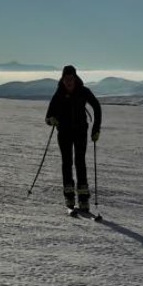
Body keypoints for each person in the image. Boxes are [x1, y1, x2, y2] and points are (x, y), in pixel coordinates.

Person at [45, 65, 102, 211]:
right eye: (66, 79)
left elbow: (97, 107)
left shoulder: (83, 91)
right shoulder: (59, 93)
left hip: (80, 132)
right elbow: (48, 116)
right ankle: (69, 197)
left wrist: (96, 129)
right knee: (67, 163)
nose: (68, 82)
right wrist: (52, 120)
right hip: (64, 132)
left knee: (80, 162)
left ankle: (83, 200)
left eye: (70, 79)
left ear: (75, 78)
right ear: (62, 79)